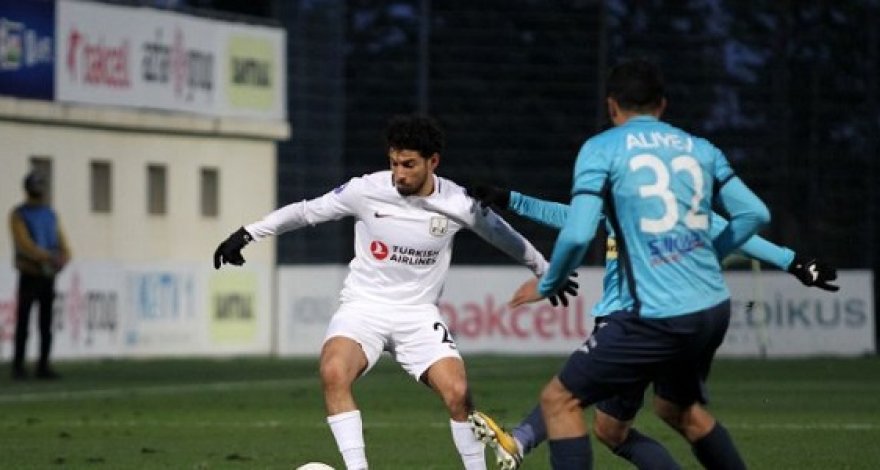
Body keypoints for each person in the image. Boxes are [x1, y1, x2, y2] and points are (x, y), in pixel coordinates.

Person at [212, 114, 576, 470]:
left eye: (409, 165)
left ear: (433, 162)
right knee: (334, 371)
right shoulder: (366, 190)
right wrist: (247, 234)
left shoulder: (458, 203)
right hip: (363, 308)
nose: (399, 173)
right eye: (394, 163)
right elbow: (307, 212)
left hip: (418, 315)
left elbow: (505, 237)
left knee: (458, 393)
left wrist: (547, 271)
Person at [500, 58, 773, 469]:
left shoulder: (603, 148)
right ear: (662, 105)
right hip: (712, 308)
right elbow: (755, 214)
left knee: (559, 401)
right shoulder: (702, 149)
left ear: (612, 105)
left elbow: (577, 233)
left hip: (656, 314)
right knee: (678, 411)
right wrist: (711, 254)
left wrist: (548, 283)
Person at [466, 184, 838, 469]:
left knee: (563, 396)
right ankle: (519, 442)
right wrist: (510, 199)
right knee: (613, 430)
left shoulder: (681, 213)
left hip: (628, 325)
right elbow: (567, 217)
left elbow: (743, 236)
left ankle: (519, 442)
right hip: (661, 328)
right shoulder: (623, 206)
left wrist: (796, 263)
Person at [9, 171, 71, 380]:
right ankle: (19, 366)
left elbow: (61, 240)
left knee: (45, 323)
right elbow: (24, 244)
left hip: (47, 275)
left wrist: (64, 256)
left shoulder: (50, 214)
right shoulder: (19, 214)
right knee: (24, 323)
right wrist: (49, 257)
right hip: (30, 273)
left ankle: (43, 365)